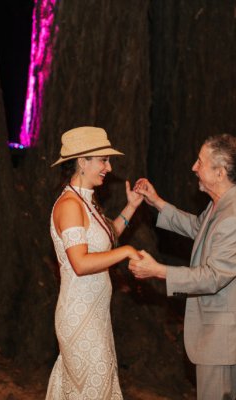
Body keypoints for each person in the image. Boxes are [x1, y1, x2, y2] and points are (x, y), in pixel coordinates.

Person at [129, 134, 236, 400]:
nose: (193, 167)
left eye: (200, 162)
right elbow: (198, 228)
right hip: (219, 330)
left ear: (220, 172)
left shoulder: (234, 217)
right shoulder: (225, 204)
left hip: (222, 335)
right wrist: (156, 202)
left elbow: (213, 277)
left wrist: (158, 270)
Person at [46, 126, 143, 399]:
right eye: (103, 159)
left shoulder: (85, 202)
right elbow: (80, 262)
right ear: (82, 161)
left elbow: (107, 238)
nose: (109, 168)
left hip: (96, 315)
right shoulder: (69, 206)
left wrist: (131, 207)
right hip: (79, 318)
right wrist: (126, 253)